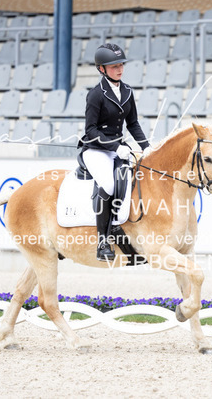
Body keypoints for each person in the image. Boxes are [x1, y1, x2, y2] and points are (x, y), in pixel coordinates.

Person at [78, 43, 150, 262]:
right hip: (96, 149)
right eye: (114, 66)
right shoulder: (95, 95)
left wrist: (147, 147)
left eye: (121, 65)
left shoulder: (127, 91)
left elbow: (133, 124)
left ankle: (124, 227)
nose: (119, 69)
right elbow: (90, 130)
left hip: (120, 149)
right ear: (102, 69)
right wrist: (115, 146)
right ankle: (103, 242)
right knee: (109, 185)